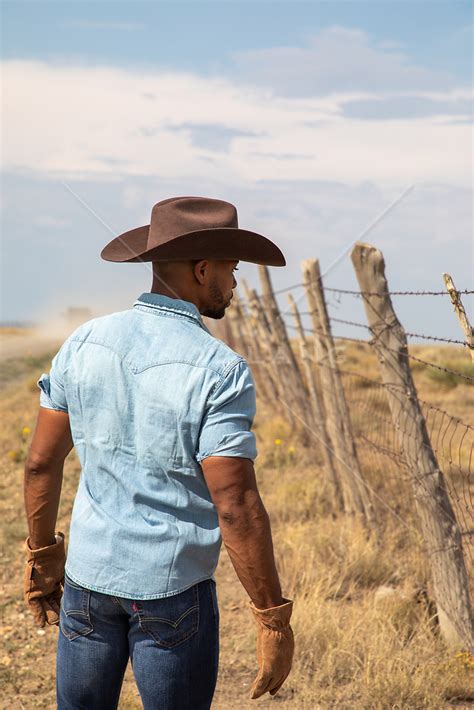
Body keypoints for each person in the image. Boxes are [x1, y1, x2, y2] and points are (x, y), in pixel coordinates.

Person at [23, 196, 294, 710]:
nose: (235, 285)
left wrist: (41, 559)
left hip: (87, 579)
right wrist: (272, 619)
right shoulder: (221, 369)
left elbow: (40, 462)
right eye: (232, 271)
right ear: (201, 269)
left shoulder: (84, 342)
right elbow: (235, 504)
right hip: (173, 592)